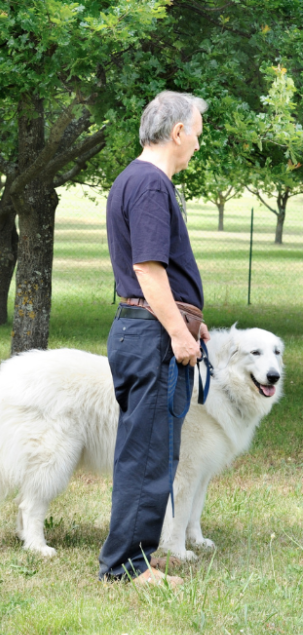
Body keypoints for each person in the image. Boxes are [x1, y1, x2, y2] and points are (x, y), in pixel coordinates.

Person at [99, 91, 210, 587]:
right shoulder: (149, 184)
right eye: (198, 136)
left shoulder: (135, 178)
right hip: (153, 337)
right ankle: (127, 566)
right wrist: (176, 332)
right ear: (179, 132)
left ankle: (135, 554)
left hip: (145, 330)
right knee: (147, 454)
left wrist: (190, 319)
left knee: (147, 450)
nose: (197, 148)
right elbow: (147, 268)